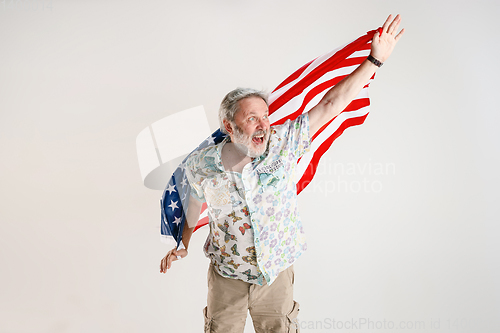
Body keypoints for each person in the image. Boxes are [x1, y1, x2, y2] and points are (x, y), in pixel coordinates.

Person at [160, 14, 405, 333]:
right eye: (252, 118)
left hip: (275, 277)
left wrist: (374, 60)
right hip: (226, 279)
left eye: (266, 116)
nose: (263, 124)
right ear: (229, 127)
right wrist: (183, 244)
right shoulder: (203, 164)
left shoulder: (284, 143)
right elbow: (194, 202)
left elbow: (331, 103)